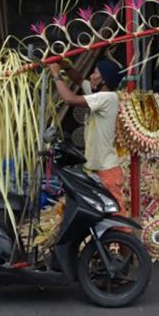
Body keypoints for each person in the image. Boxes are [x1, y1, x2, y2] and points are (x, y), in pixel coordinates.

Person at [48, 58, 127, 217]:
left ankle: (126, 242)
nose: (91, 75)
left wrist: (56, 74)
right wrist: (66, 67)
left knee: (117, 220)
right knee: (100, 215)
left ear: (104, 79)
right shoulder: (100, 95)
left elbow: (69, 99)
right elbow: (79, 80)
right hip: (98, 169)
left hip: (107, 171)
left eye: (96, 72)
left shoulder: (107, 98)